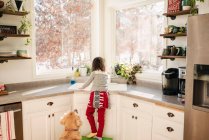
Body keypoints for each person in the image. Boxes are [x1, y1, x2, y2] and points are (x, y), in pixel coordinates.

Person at [79, 57, 109, 140]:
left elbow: (87, 83)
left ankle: (93, 131)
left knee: (89, 113)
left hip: (96, 95)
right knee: (101, 117)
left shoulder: (94, 73)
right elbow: (106, 85)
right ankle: (99, 136)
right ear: (103, 64)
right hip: (104, 95)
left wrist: (81, 87)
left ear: (94, 64)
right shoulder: (106, 73)